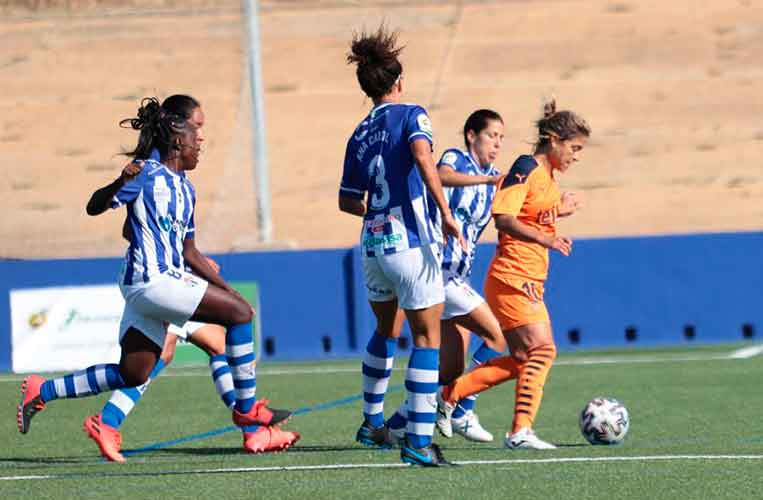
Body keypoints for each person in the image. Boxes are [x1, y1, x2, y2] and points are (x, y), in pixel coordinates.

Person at [17, 95, 292, 454]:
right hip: (154, 281)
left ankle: (42, 391)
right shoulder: (146, 174)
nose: (202, 140)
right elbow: (94, 206)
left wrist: (227, 289)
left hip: (158, 286)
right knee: (239, 318)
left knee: (134, 373)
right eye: (197, 129)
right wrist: (118, 182)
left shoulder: (187, 191)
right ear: (177, 137)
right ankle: (247, 413)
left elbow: (189, 252)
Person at [339, 26, 464, 467]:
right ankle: (419, 440)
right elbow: (424, 157)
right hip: (411, 242)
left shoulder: (359, 132)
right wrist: (446, 213)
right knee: (426, 337)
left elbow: (347, 200)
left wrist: (379, 211)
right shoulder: (412, 113)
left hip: (373, 244)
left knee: (385, 331)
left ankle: (372, 423)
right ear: (399, 82)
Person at [437, 99, 590, 450]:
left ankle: (451, 394)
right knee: (543, 351)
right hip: (512, 276)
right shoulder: (524, 167)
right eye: (574, 148)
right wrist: (546, 238)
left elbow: (531, 213)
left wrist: (556, 211)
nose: (577, 156)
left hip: (527, 277)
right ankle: (520, 431)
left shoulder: (546, 178)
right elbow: (504, 218)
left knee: (523, 358)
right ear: (554, 141)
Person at [384, 110, 509, 444]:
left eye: (501, 137)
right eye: (491, 135)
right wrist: (485, 180)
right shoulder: (459, 160)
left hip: (457, 276)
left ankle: (396, 425)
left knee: (450, 369)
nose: (496, 143)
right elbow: (441, 175)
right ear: (471, 135)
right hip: (438, 273)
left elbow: (511, 209)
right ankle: (462, 409)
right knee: (498, 338)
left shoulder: (493, 178)